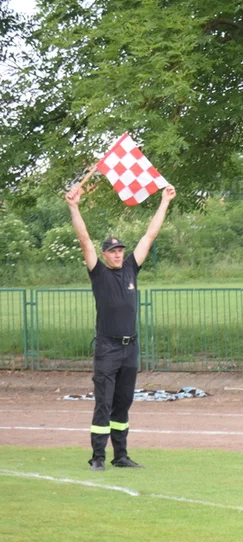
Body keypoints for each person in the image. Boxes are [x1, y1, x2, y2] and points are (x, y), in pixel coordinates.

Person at [65, 183, 177, 471]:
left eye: (120, 250)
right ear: (104, 255)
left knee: (123, 404)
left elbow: (150, 235)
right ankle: (98, 457)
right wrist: (74, 207)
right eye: (113, 251)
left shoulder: (130, 268)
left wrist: (164, 201)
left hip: (130, 348)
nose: (117, 254)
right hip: (107, 347)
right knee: (103, 403)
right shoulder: (99, 273)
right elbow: (85, 240)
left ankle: (121, 456)